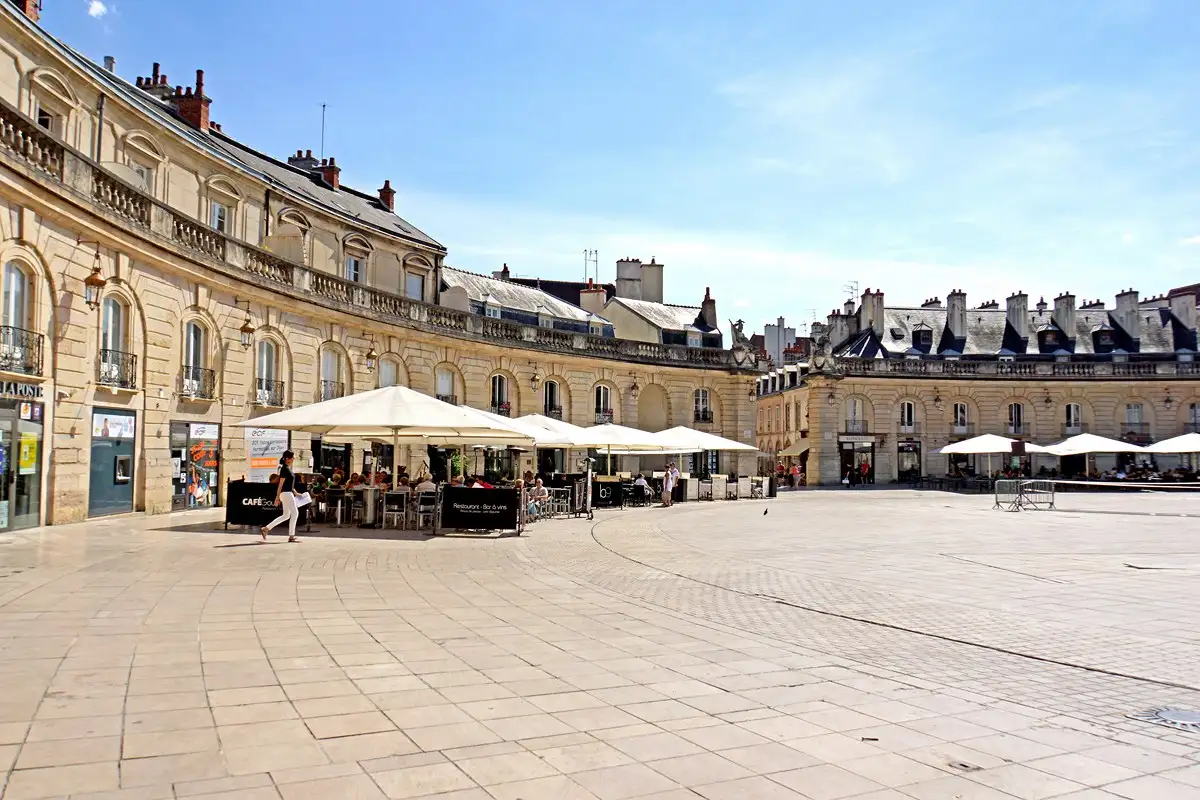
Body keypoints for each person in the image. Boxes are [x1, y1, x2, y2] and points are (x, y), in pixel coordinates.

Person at [261, 450, 301, 543]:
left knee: (286, 515)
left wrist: (295, 492)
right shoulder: (284, 469)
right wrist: (277, 497)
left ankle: (266, 529)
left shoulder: (287, 468)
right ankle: (291, 536)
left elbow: (288, 484)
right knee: (295, 513)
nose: (294, 458)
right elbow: (281, 484)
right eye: (292, 457)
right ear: (288, 458)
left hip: (287, 493)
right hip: (286, 494)